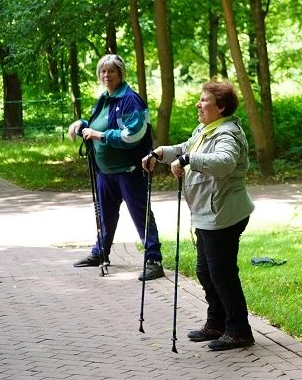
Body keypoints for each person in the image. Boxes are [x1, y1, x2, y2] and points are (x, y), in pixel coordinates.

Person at [142, 82, 255, 352]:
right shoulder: (206, 129)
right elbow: (186, 147)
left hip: (224, 214)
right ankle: (216, 323)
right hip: (208, 213)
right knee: (207, 271)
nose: (198, 104)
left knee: (222, 274)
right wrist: (161, 153)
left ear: (221, 107)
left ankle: (239, 330)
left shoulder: (228, 133)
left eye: (204, 100)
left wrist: (189, 160)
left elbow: (224, 162)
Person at [68, 54, 164, 281]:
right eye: (102, 71)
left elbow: (133, 134)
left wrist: (100, 135)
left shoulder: (131, 100)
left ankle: (154, 260)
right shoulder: (104, 98)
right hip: (105, 173)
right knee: (105, 216)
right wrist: (81, 124)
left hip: (129, 171)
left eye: (111, 71)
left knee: (141, 216)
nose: (106, 75)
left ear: (121, 73)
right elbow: (95, 124)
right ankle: (100, 252)